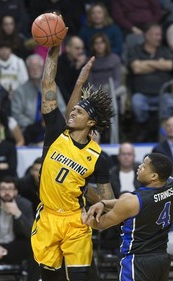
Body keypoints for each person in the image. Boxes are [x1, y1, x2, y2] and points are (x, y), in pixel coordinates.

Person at [30, 39, 116, 280]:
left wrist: (99, 207)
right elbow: (48, 83)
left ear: (90, 123)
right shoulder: (57, 130)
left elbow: (107, 200)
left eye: (80, 111)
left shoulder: (98, 157)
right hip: (47, 216)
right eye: (74, 109)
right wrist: (54, 47)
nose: (74, 111)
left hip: (75, 220)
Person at [83, 153, 173, 281]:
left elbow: (101, 224)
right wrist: (103, 202)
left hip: (136, 261)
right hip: (161, 259)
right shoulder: (172, 185)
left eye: (144, 166)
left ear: (154, 176)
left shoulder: (132, 201)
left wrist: (84, 215)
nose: (139, 167)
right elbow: (131, 205)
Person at [126, 22, 173, 142]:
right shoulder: (136, 50)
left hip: (162, 93)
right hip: (141, 93)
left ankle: (161, 132)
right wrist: (159, 64)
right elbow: (136, 68)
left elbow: (169, 65)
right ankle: (145, 129)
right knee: (137, 103)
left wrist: (146, 63)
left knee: (169, 102)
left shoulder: (165, 50)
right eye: (156, 35)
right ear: (147, 35)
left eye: (160, 34)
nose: (159, 37)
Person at [11, 54, 66, 132]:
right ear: (27, 69)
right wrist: (35, 125)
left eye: (38, 67)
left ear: (43, 68)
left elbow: (62, 110)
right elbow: (16, 115)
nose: (35, 69)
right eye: (32, 67)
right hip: (29, 130)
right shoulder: (20, 91)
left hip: (52, 129)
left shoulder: (52, 88)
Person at [56, 35, 87, 104]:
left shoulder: (83, 63)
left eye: (82, 48)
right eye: (77, 48)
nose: (81, 51)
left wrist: (78, 69)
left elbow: (85, 87)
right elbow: (62, 86)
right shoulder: (59, 63)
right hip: (62, 101)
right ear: (68, 48)